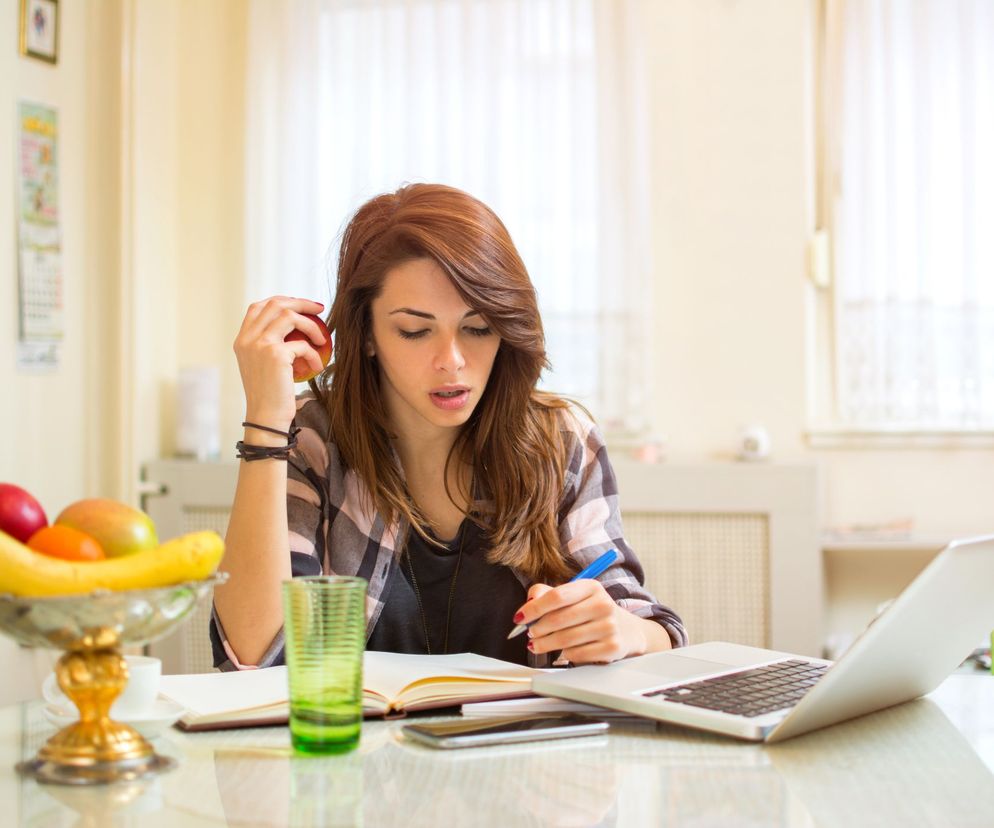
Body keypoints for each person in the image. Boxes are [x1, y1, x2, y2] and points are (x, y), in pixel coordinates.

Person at [211, 183, 686, 671]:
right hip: (356, 748)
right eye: (415, 331)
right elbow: (250, 658)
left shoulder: (561, 438)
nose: (452, 362)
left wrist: (622, 631)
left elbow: (648, 626)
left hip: (525, 746)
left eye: (478, 328)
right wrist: (267, 418)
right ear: (368, 334)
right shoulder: (312, 440)